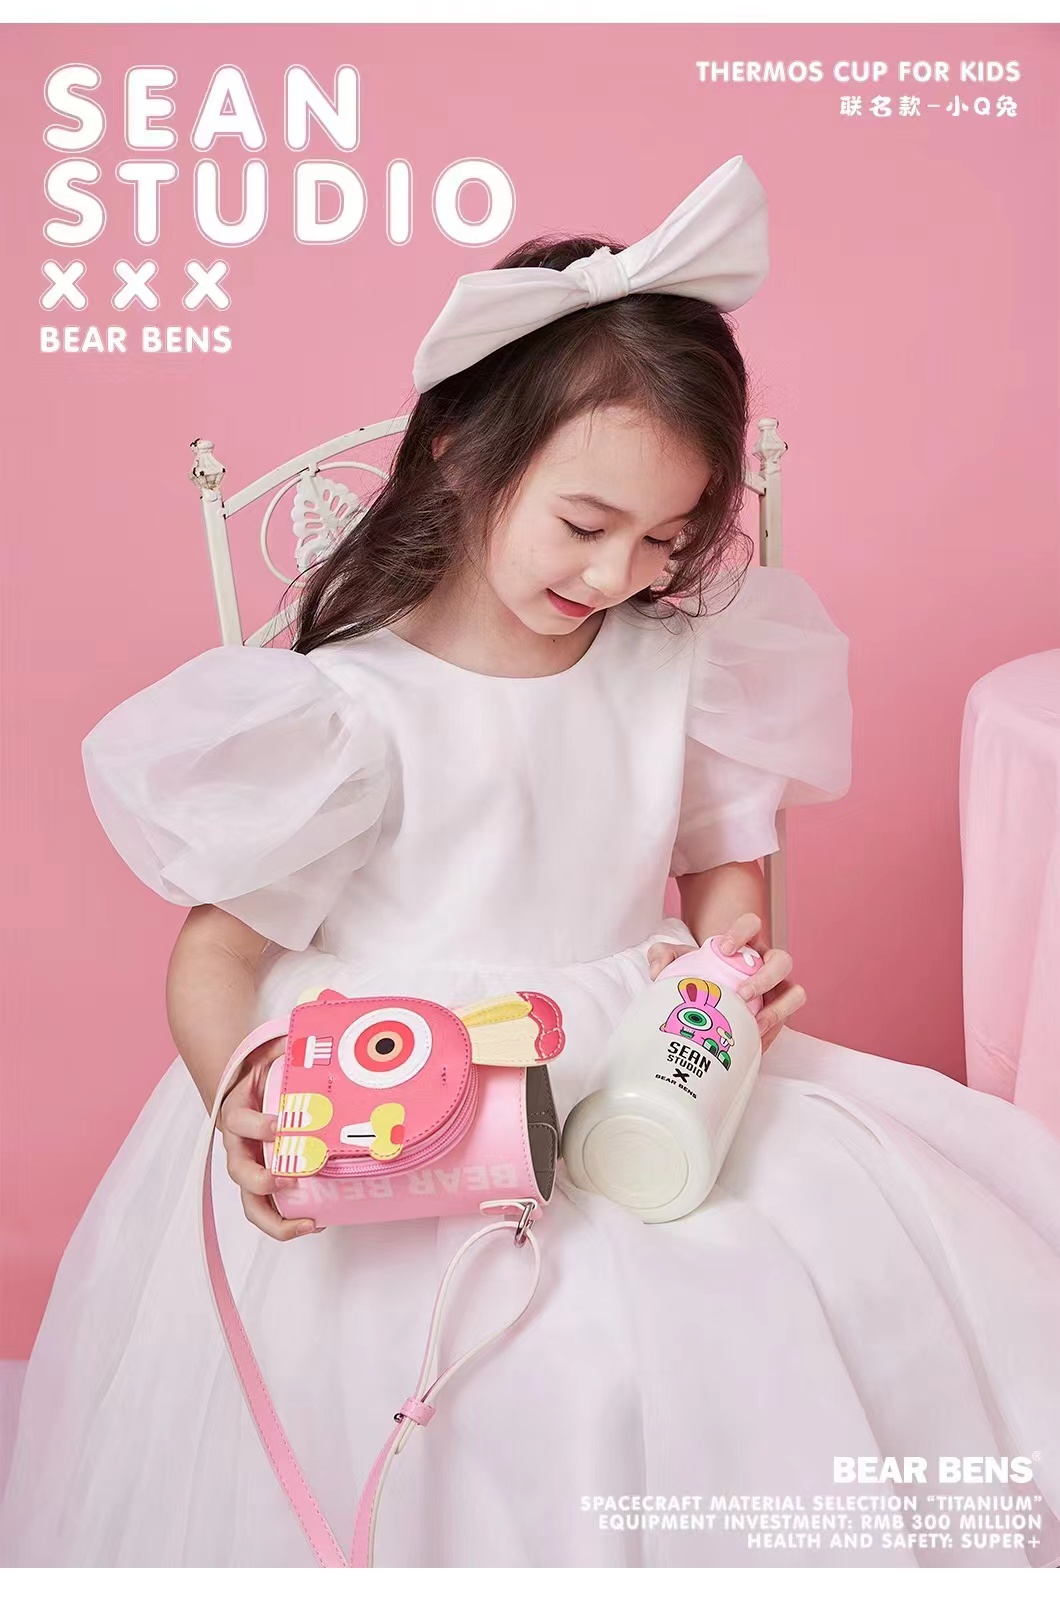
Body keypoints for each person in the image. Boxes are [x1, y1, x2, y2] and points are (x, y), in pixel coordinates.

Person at [2, 156, 1058, 1571]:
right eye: (585, 525)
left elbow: (723, 867)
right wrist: (238, 1090)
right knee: (440, 1372)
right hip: (401, 1087)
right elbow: (218, 954)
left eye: (666, 540)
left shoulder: (682, 665)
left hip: (631, 1060)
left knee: (781, 1297)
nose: (620, 575)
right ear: (460, 450)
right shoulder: (350, 709)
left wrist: (729, 969)